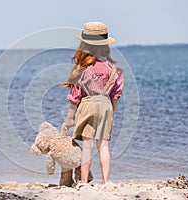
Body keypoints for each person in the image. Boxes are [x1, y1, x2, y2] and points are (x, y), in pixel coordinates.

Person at [62, 22, 123, 187]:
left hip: (88, 104)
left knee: (87, 144)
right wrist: (112, 114)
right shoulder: (113, 68)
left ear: (84, 45)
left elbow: (75, 96)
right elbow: (116, 95)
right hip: (106, 106)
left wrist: (69, 119)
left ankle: (83, 181)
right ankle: (106, 180)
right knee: (103, 145)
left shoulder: (82, 68)